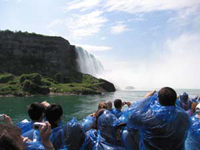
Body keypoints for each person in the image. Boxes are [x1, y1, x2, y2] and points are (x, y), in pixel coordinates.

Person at [121, 87, 190, 150]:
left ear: (158, 99)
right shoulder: (184, 117)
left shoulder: (148, 118)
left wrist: (146, 98)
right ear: (175, 100)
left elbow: (130, 116)